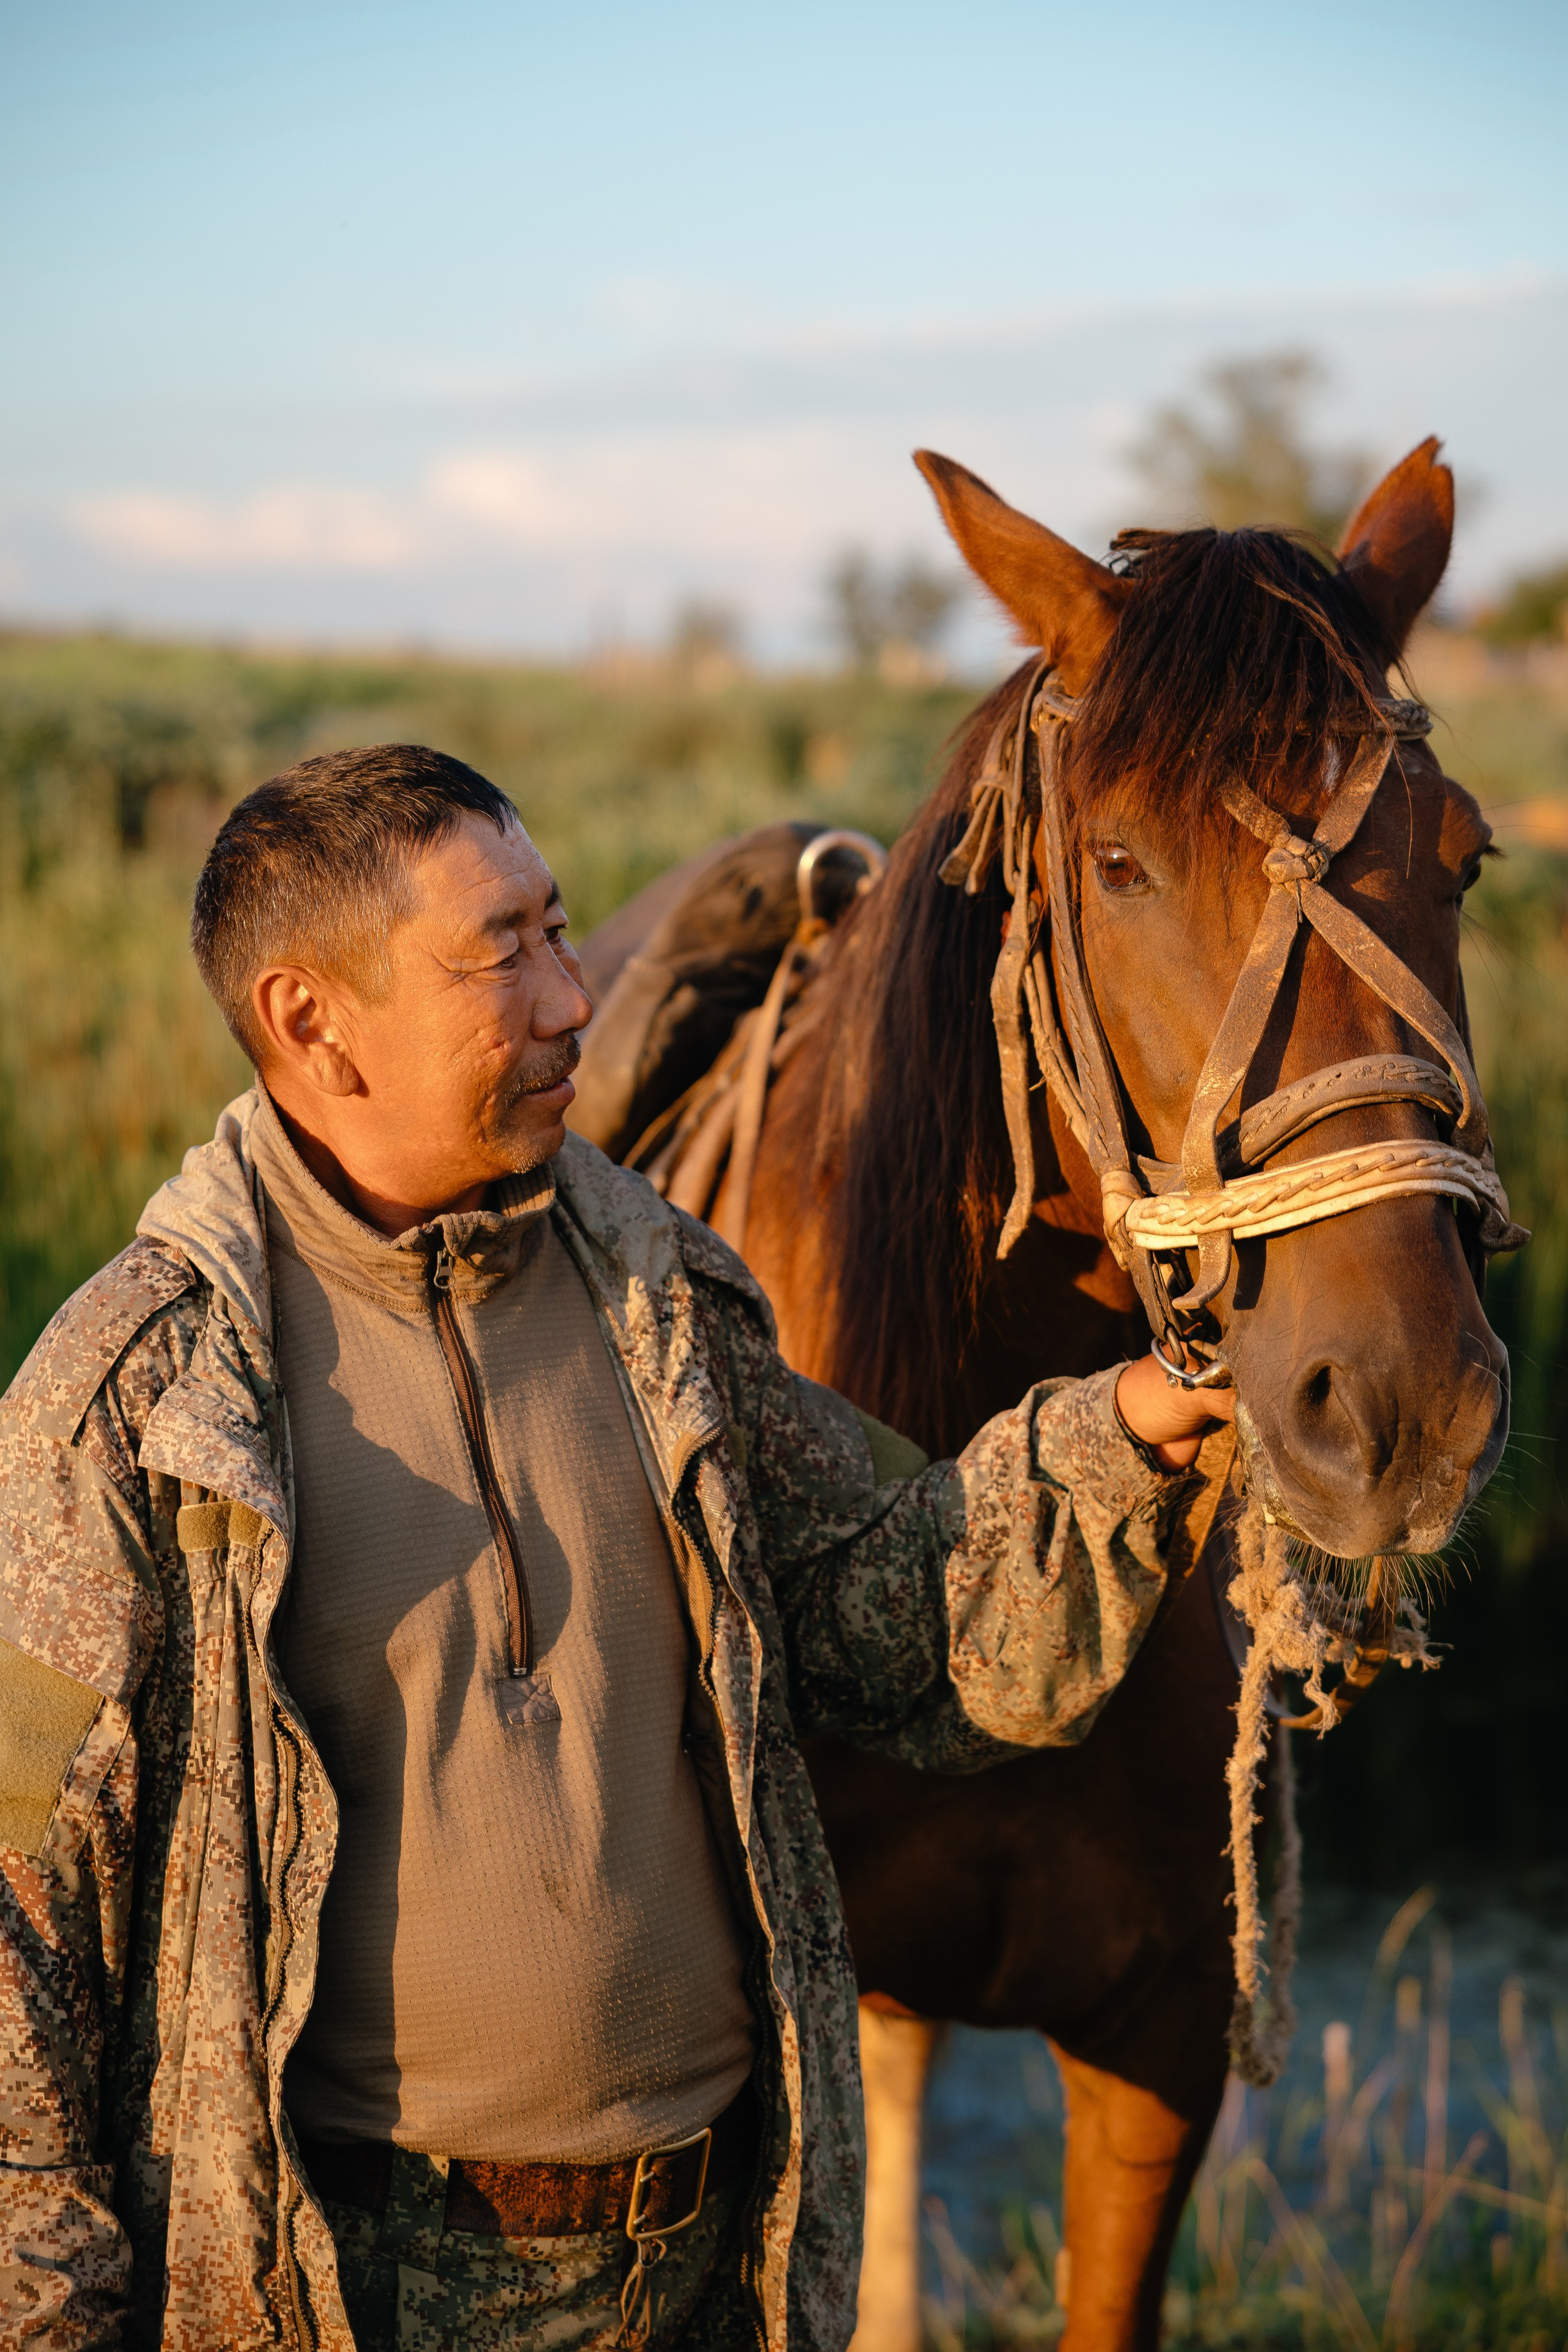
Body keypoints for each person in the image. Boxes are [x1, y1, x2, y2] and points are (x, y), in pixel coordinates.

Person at [0, 745, 1231, 2352]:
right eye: (500, 950)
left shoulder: (669, 1303)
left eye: (562, 929)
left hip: (709, 2270)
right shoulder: (140, 1406)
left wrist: (1118, 1440)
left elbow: (892, 1605)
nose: (574, 999)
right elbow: (22, 1922)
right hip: (352, 2293)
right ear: (313, 1022)